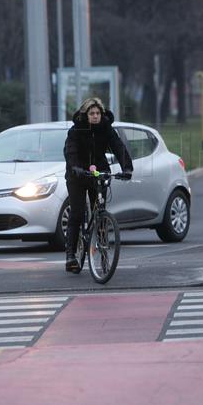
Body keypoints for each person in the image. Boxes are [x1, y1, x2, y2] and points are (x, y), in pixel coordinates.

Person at [63, 97, 133, 273]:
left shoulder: (106, 129)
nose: (95, 116)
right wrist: (75, 168)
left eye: (98, 113)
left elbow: (118, 147)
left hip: (98, 173)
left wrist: (127, 168)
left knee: (100, 211)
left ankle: (102, 251)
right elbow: (70, 151)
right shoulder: (76, 131)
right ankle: (70, 255)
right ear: (85, 115)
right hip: (77, 175)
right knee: (77, 212)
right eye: (91, 113)